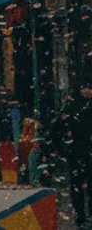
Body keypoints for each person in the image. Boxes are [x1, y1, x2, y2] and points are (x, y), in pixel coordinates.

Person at [57, 86, 92, 226]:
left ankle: (85, 214)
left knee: (86, 183)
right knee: (78, 183)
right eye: (84, 88)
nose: (87, 91)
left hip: (80, 149)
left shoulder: (73, 106)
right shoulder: (73, 106)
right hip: (77, 150)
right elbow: (63, 126)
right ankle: (81, 214)